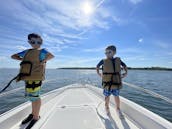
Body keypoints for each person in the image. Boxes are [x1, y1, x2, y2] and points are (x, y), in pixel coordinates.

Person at [11, 33, 54, 129]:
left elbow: (51, 56)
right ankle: (33, 113)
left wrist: (44, 60)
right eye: (33, 42)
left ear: (41, 42)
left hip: (36, 78)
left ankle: (36, 117)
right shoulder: (26, 52)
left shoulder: (43, 51)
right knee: (31, 96)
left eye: (39, 42)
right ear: (29, 42)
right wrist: (24, 60)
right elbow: (13, 56)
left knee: (36, 97)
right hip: (27, 77)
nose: (36, 44)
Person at [96, 45, 127, 118]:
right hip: (107, 84)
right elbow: (97, 66)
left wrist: (126, 73)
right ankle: (107, 108)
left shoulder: (118, 60)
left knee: (116, 96)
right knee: (107, 97)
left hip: (116, 84)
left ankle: (118, 109)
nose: (107, 54)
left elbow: (124, 66)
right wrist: (99, 74)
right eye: (105, 53)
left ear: (114, 52)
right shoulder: (103, 61)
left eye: (109, 52)